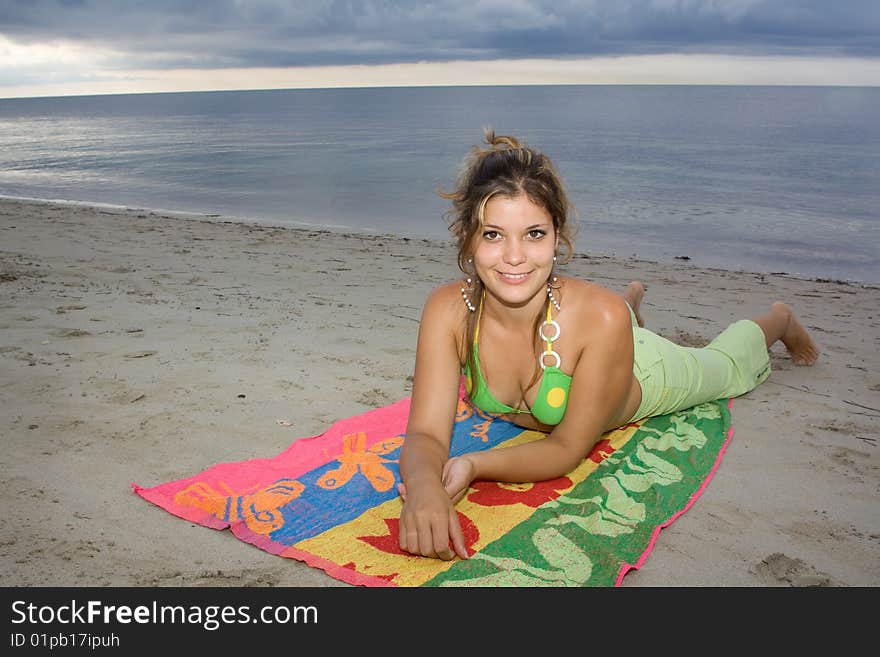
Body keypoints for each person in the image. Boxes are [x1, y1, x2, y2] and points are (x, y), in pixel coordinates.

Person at [397, 129, 820, 561]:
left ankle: (778, 319)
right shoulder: (447, 310)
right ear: (467, 235)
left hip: (647, 372)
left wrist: (473, 464)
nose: (514, 256)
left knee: (727, 367)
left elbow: (565, 448)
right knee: (611, 313)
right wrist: (426, 487)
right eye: (493, 235)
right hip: (599, 329)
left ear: (557, 235)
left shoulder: (599, 318)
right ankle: (631, 302)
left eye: (534, 234)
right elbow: (427, 432)